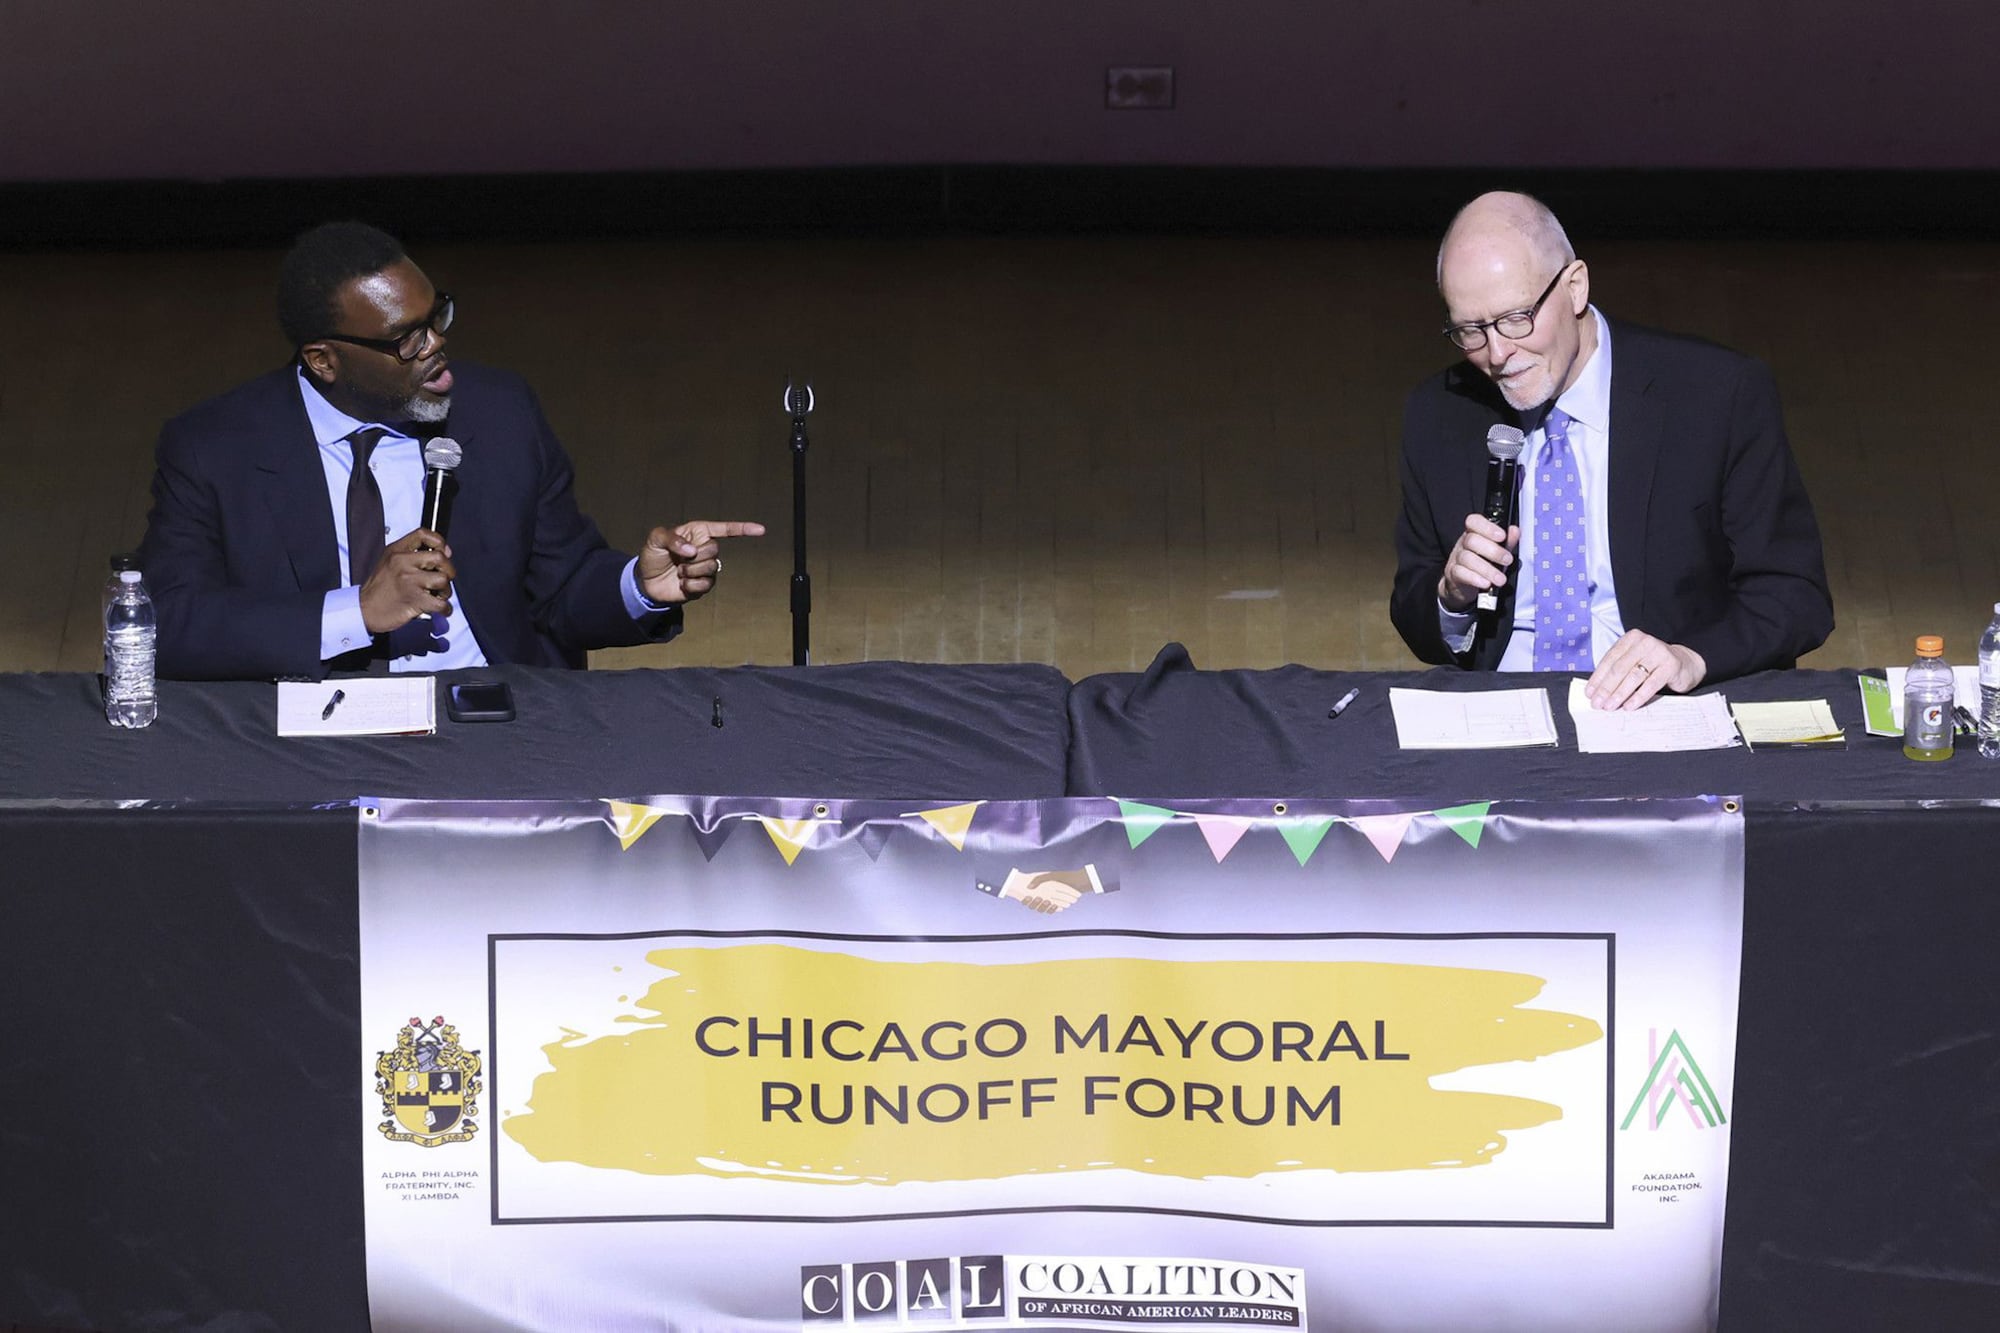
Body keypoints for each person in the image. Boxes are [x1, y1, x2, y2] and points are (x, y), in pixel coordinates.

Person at [138, 222, 762, 680]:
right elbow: (169, 624)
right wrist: (358, 609)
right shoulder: (214, 447)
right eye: (405, 339)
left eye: (436, 317)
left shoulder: (497, 412)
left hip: (489, 718)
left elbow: (560, 592)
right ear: (323, 360)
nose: (435, 345)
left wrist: (641, 586)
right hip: (316, 730)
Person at [1389, 191, 1832, 709]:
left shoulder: (1716, 395)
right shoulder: (1439, 413)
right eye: (1470, 330)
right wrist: (1451, 597)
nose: (1497, 353)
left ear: (1575, 286)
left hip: (1660, 708)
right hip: (1503, 712)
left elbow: (1795, 595)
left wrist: (1691, 657)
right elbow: (1415, 608)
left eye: (1515, 319)